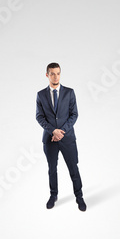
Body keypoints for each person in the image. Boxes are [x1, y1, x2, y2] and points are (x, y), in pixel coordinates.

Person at [35, 62, 85, 211]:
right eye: (52, 73)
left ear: (60, 74)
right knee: (52, 169)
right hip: (50, 140)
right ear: (47, 75)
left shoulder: (69, 93)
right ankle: (53, 195)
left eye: (58, 73)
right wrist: (53, 131)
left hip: (67, 138)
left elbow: (74, 114)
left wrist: (61, 131)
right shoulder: (41, 95)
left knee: (73, 168)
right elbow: (39, 117)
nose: (55, 76)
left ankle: (79, 196)